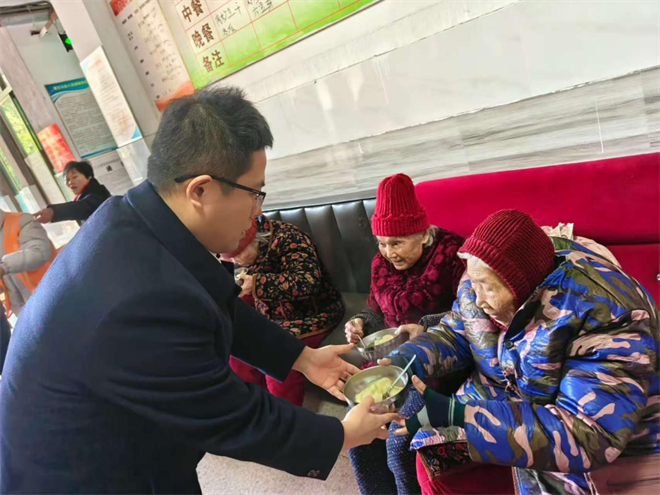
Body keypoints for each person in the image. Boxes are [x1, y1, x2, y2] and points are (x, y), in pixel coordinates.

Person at [0, 87, 399, 495]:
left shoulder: (135, 220)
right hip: (82, 475)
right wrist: (341, 435)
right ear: (200, 190)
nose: (258, 209)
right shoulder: (134, 299)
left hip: (130, 439)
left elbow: (220, 305)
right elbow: (231, 415)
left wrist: (303, 358)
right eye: (254, 192)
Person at [383, 209, 659, 495]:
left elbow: (587, 435)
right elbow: (456, 334)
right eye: (474, 285)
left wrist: (460, 415)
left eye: (487, 289)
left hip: (601, 438)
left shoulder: (608, 314)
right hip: (515, 397)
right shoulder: (478, 281)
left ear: (523, 288)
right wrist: (405, 361)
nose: (478, 299)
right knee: (427, 450)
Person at [346, 173, 465, 495]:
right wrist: (360, 322)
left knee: (398, 445)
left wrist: (426, 325)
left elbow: (474, 312)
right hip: (389, 364)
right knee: (358, 434)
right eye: (381, 243)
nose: (388, 252)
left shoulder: (452, 254)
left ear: (424, 234)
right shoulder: (380, 263)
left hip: (437, 366)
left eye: (397, 243)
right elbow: (375, 309)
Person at [222, 214, 345, 406]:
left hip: (313, 313)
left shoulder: (289, 238)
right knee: (237, 350)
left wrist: (257, 283)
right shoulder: (236, 244)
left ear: (254, 241)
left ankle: (286, 414)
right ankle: (258, 406)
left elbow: (308, 282)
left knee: (279, 356)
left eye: (237, 255)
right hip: (271, 314)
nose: (235, 261)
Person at [0, 209, 54, 372]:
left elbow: (39, 252)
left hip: (51, 300)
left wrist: (4, 267)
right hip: (24, 312)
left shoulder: (21, 221)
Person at [34, 160, 111, 225]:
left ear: (89, 177)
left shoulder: (98, 193)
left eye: (75, 177)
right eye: (67, 180)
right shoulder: (83, 196)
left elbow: (83, 207)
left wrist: (54, 212)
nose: (70, 182)